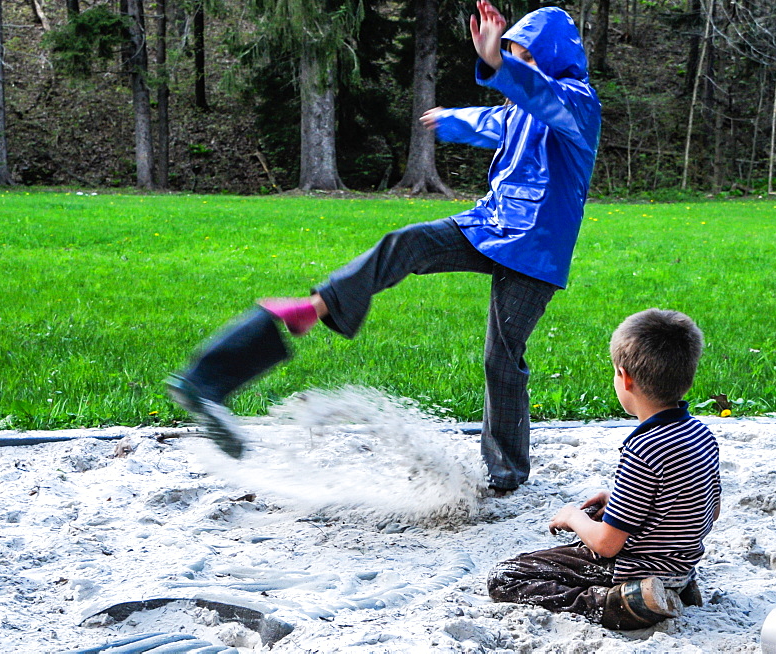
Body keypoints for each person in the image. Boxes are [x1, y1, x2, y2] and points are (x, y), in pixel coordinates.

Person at [167, 1, 602, 492]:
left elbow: (544, 99)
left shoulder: (578, 104)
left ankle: (506, 475)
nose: (517, 63)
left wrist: (501, 65)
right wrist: (452, 118)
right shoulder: (520, 109)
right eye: (513, 54)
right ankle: (319, 305)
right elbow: (494, 122)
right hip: (490, 223)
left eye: (526, 55)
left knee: (502, 356)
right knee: (406, 243)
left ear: (549, 58)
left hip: (536, 249)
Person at [486, 309, 721, 630]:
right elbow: (708, 507)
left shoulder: (643, 447)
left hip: (631, 568)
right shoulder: (700, 433)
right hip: (681, 565)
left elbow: (606, 544)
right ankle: (671, 589)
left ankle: (619, 604)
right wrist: (621, 500)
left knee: (506, 576)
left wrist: (573, 516)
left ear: (625, 378)